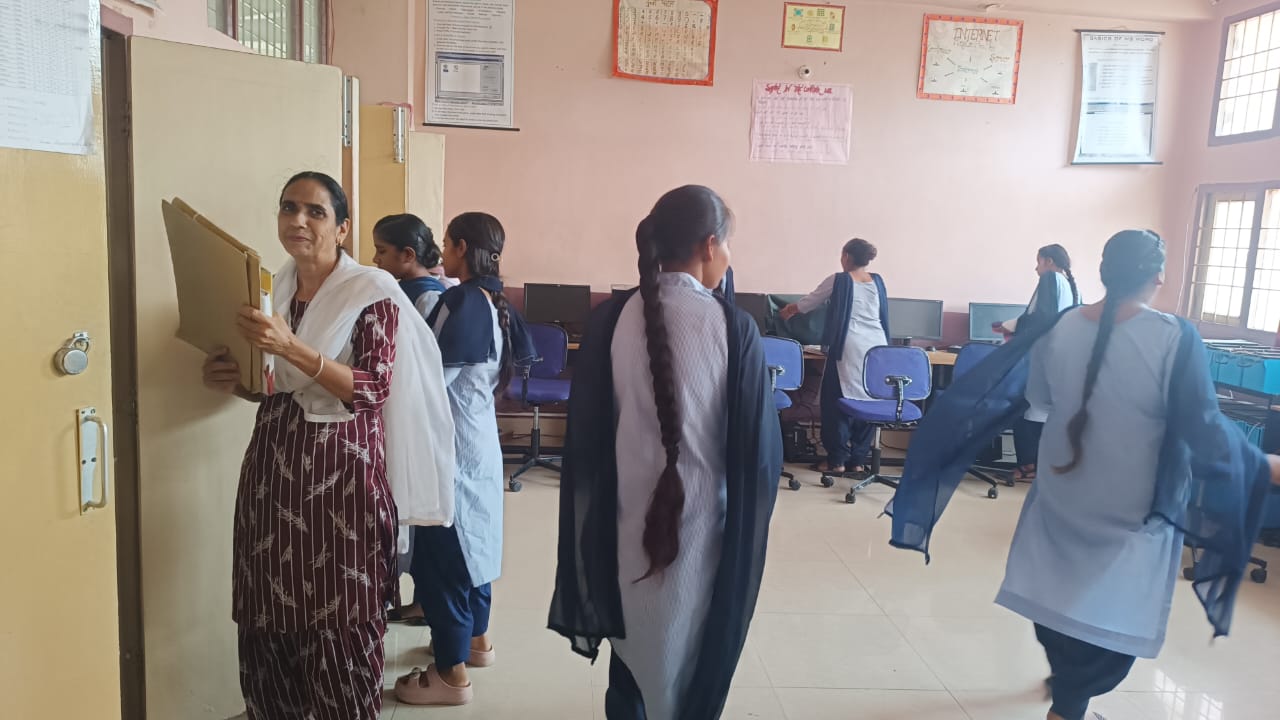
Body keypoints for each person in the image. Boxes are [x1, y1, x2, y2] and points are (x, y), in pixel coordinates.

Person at [888, 230, 1280, 720]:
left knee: (1058, 597)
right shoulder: (1173, 336)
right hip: (1133, 502)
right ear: (1158, 276)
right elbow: (1203, 428)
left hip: (1063, 489)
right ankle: (1070, 704)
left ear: (1104, 271)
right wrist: (1262, 465)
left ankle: (1069, 693)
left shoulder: (1061, 326)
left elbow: (1041, 399)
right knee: (1114, 619)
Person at [202, 171, 455, 720]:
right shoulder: (272, 290)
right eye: (289, 207)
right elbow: (274, 386)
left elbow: (372, 388)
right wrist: (236, 380)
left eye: (315, 212)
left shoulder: (371, 293)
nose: (298, 220)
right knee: (270, 621)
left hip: (343, 484)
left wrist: (290, 346)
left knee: (342, 624)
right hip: (272, 478)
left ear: (341, 229)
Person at [548, 185, 782, 719]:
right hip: (701, 537)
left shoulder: (612, 319)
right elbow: (759, 460)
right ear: (709, 244)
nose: (728, 257)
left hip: (624, 527)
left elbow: (589, 440)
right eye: (728, 244)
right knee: (685, 657)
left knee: (632, 652)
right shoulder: (733, 328)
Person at [395, 212, 529, 706]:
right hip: (478, 444)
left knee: (445, 562)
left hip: (451, 450)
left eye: (447, 242)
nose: (442, 251)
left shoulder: (463, 301)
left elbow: (433, 379)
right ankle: (475, 641)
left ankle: (450, 676)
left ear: (461, 248)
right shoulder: (496, 302)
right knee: (477, 555)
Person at [779, 239, 889, 473]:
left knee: (836, 402)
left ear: (846, 256)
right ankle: (858, 461)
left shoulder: (839, 280)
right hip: (878, 348)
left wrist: (788, 311)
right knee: (869, 401)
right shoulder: (878, 281)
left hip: (848, 347)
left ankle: (836, 461)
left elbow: (809, 302)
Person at [1000, 244, 1082, 481]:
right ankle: (1040, 465)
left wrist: (1014, 326)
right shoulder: (1071, 287)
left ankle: (1028, 465)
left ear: (1049, 261)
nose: (1036, 269)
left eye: (1038, 262)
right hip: (1060, 358)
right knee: (1043, 410)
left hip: (1043, 355)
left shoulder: (1051, 279)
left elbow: (1043, 318)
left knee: (1030, 408)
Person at [371, 213, 448, 319]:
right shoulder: (403, 285)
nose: (375, 259)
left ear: (408, 254)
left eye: (381, 251)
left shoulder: (429, 297)